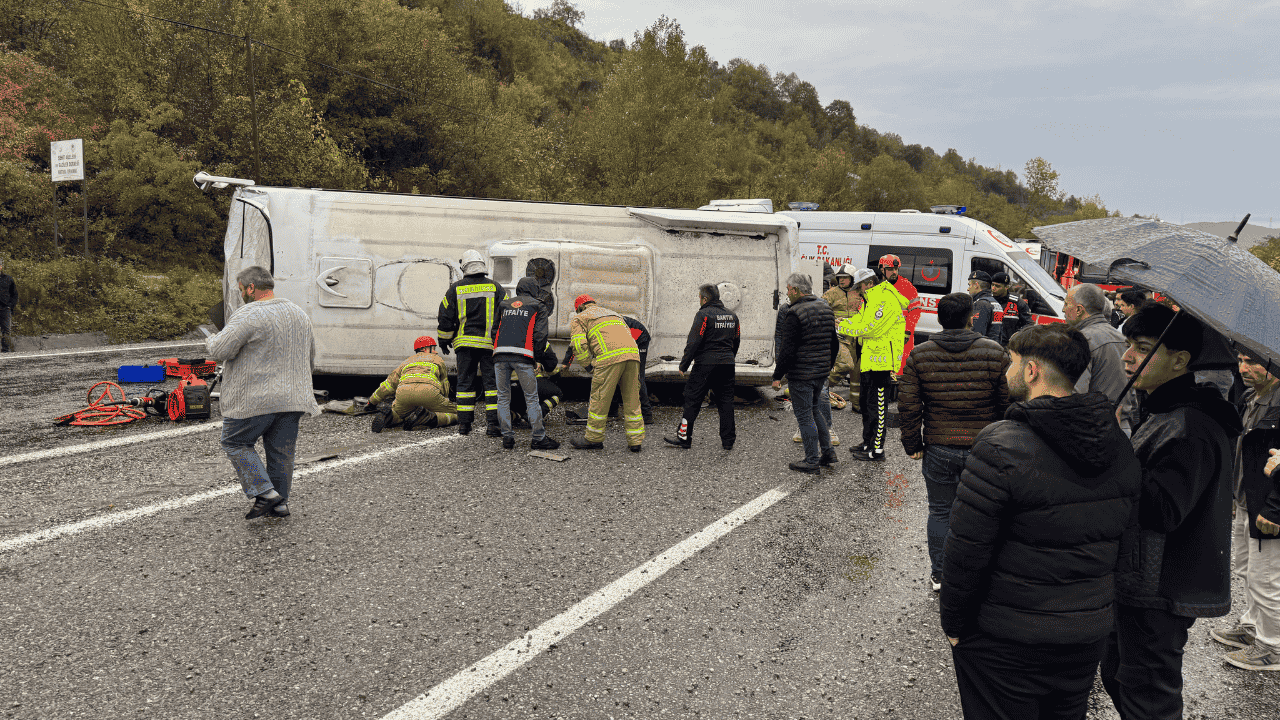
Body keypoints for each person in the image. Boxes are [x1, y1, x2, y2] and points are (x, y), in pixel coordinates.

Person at [942, 323, 1140, 720]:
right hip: (1085, 634)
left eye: (1012, 362)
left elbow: (968, 547)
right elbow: (1125, 544)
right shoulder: (1118, 443)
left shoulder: (1002, 443)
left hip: (1008, 637)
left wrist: (955, 623)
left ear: (1031, 370)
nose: (1006, 372)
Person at [1100, 304, 1242, 719]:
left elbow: (1163, 510)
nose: (1127, 356)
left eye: (1142, 348)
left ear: (1180, 360)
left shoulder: (1190, 425)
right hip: (1141, 581)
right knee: (1119, 675)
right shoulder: (1164, 409)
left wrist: (1115, 446)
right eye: (1128, 344)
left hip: (1161, 589)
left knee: (1149, 696)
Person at [899, 292, 1010, 592]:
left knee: (940, 511)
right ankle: (979, 576)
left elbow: (909, 405)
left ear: (938, 318)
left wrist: (913, 443)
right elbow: (1006, 402)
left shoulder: (920, 354)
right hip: (984, 448)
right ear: (971, 317)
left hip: (939, 446)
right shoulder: (994, 352)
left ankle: (940, 575)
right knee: (985, 513)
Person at [206, 266, 320, 520]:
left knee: (235, 442)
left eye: (241, 290)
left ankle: (265, 492)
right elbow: (310, 357)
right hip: (294, 397)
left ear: (250, 288)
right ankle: (280, 504)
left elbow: (220, 351)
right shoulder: (299, 313)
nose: (241, 296)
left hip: (254, 399)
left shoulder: (248, 314)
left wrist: (211, 338)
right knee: (281, 451)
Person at [1208, 349, 1280, 671]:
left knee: (1267, 579)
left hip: (1267, 506)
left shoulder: (1279, 403)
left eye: (1252, 361)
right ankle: (1253, 627)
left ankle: (1272, 646)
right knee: (1248, 571)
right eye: (1240, 360)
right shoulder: (1252, 397)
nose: (1242, 368)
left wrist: (1276, 509)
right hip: (1247, 499)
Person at [772, 272, 839, 474]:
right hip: (820, 373)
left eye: (788, 289)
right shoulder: (825, 308)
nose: (786, 293)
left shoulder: (794, 313)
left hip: (802, 374)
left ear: (796, 290)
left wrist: (777, 376)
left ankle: (811, 460)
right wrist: (827, 367)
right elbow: (834, 343)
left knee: (804, 416)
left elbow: (787, 349)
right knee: (816, 410)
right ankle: (828, 452)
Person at [840, 266, 909, 461]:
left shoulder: (884, 298)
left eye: (860, 287)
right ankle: (867, 442)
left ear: (869, 283)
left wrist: (844, 326)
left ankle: (877, 450)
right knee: (866, 404)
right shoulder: (870, 299)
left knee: (878, 408)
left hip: (882, 362)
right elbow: (860, 321)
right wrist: (843, 322)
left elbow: (872, 328)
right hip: (870, 360)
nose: (858, 291)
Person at [437, 249, 507, 437]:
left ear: (464, 267)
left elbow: (445, 315)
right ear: (481, 265)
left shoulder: (456, 289)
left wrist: (444, 339)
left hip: (464, 346)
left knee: (465, 385)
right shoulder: (496, 287)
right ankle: (493, 425)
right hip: (489, 346)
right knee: (492, 386)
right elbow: (506, 314)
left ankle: (464, 425)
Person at [665, 284, 740, 450]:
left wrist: (684, 364)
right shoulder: (732, 316)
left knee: (692, 400)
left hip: (705, 365)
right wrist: (728, 358)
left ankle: (684, 438)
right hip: (727, 364)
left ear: (705, 299)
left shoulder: (703, 314)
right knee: (726, 402)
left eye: (700, 297)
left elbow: (694, 341)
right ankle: (728, 441)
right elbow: (736, 341)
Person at [566, 295, 644, 451]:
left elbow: (579, 346)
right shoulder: (614, 314)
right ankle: (635, 441)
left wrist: (587, 366)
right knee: (632, 399)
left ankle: (594, 439)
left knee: (600, 399)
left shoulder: (579, 318)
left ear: (580, 308)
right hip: (633, 355)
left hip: (609, 357)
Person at [491, 277, 560, 451]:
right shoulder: (538, 306)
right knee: (531, 397)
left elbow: (494, 331)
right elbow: (539, 335)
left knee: (502, 397)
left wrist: (499, 348)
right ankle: (538, 438)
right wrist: (536, 357)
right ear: (535, 289)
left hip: (500, 356)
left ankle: (507, 438)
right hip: (523, 356)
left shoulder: (504, 305)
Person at [1063, 283, 1136, 434]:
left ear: (1078, 310)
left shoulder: (1082, 340)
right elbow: (1133, 391)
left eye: (1066, 304)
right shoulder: (1122, 338)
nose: (1063, 309)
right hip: (1123, 425)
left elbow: (1076, 396)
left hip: (1094, 429)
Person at [565, 314, 654, 425]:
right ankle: (612, 412)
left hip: (639, 337)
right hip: (622, 337)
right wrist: (565, 363)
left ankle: (646, 415)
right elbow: (574, 344)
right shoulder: (586, 328)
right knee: (614, 374)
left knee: (636, 377)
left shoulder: (597, 328)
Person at [367, 336, 458, 432]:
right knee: (459, 414)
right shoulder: (437, 359)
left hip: (404, 395)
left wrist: (371, 402)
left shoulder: (406, 361)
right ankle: (430, 418)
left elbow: (388, 385)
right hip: (429, 393)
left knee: (400, 415)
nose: (435, 352)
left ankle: (389, 416)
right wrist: (444, 400)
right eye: (433, 348)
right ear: (424, 349)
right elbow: (445, 384)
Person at [823, 265, 864, 406]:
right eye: (839, 278)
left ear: (852, 279)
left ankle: (856, 403)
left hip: (856, 338)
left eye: (845, 278)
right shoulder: (831, 293)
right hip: (838, 337)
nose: (841, 280)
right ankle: (820, 388)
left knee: (856, 371)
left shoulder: (860, 293)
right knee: (845, 365)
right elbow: (821, 310)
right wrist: (832, 320)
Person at [878, 254, 922, 375]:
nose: (894, 272)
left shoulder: (907, 287)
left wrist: (907, 330)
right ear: (882, 269)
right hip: (881, 337)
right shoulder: (877, 288)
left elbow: (915, 311)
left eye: (896, 269)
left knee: (901, 372)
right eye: (891, 269)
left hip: (902, 337)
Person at [991, 271, 1032, 345]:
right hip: (990, 345)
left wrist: (1017, 336)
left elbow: (1028, 324)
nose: (993, 288)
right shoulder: (987, 301)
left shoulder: (1017, 302)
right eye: (992, 285)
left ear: (1007, 287)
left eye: (997, 286)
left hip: (1009, 346)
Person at [966, 271, 1003, 343]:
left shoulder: (981, 304)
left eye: (969, 285)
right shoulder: (995, 302)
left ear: (976, 285)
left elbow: (976, 333)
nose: (968, 289)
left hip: (983, 349)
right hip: (993, 347)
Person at [0, 257, 16, 353]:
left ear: (1, 267)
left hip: (5, 309)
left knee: (6, 331)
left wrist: (10, 306)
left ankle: (5, 350)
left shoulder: (8, 279)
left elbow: (14, 294)